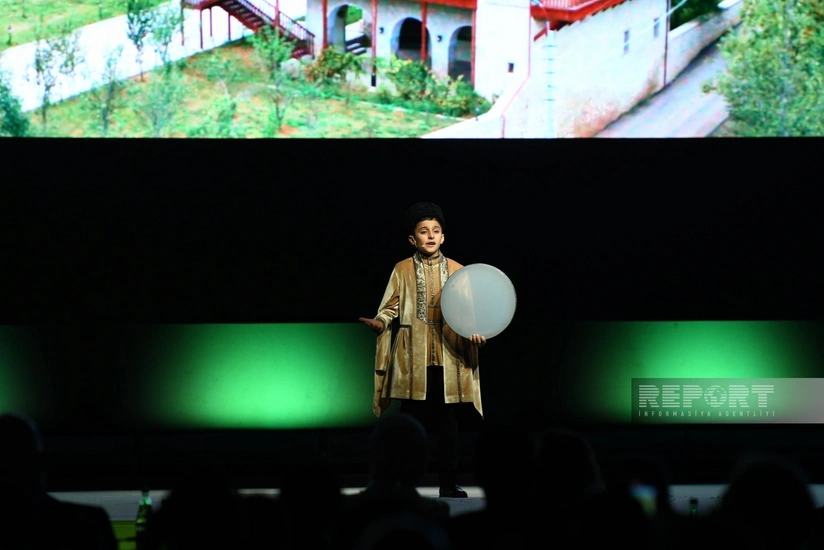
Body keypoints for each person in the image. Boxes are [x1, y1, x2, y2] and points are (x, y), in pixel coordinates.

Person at [359, 201, 486, 499]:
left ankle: (448, 482)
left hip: (448, 357)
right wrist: (380, 322)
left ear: (443, 236)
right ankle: (401, 482)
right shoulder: (401, 269)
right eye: (424, 231)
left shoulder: (458, 270)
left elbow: (470, 314)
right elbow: (389, 307)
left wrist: (478, 334)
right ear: (412, 239)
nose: (430, 236)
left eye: (436, 231)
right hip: (412, 358)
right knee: (409, 425)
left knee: (448, 425)